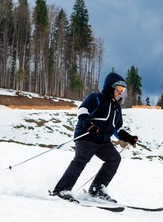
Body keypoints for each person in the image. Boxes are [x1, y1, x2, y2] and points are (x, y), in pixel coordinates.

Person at [51, 72, 138, 203]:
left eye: (123, 90)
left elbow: (117, 128)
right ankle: (61, 190)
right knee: (81, 159)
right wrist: (88, 125)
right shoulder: (96, 98)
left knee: (114, 159)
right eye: (119, 89)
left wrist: (129, 138)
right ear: (111, 87)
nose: (121, 93)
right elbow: (82, 111)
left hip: (103, 142)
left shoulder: (117, 108)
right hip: (86, 137)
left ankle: (97, 191)